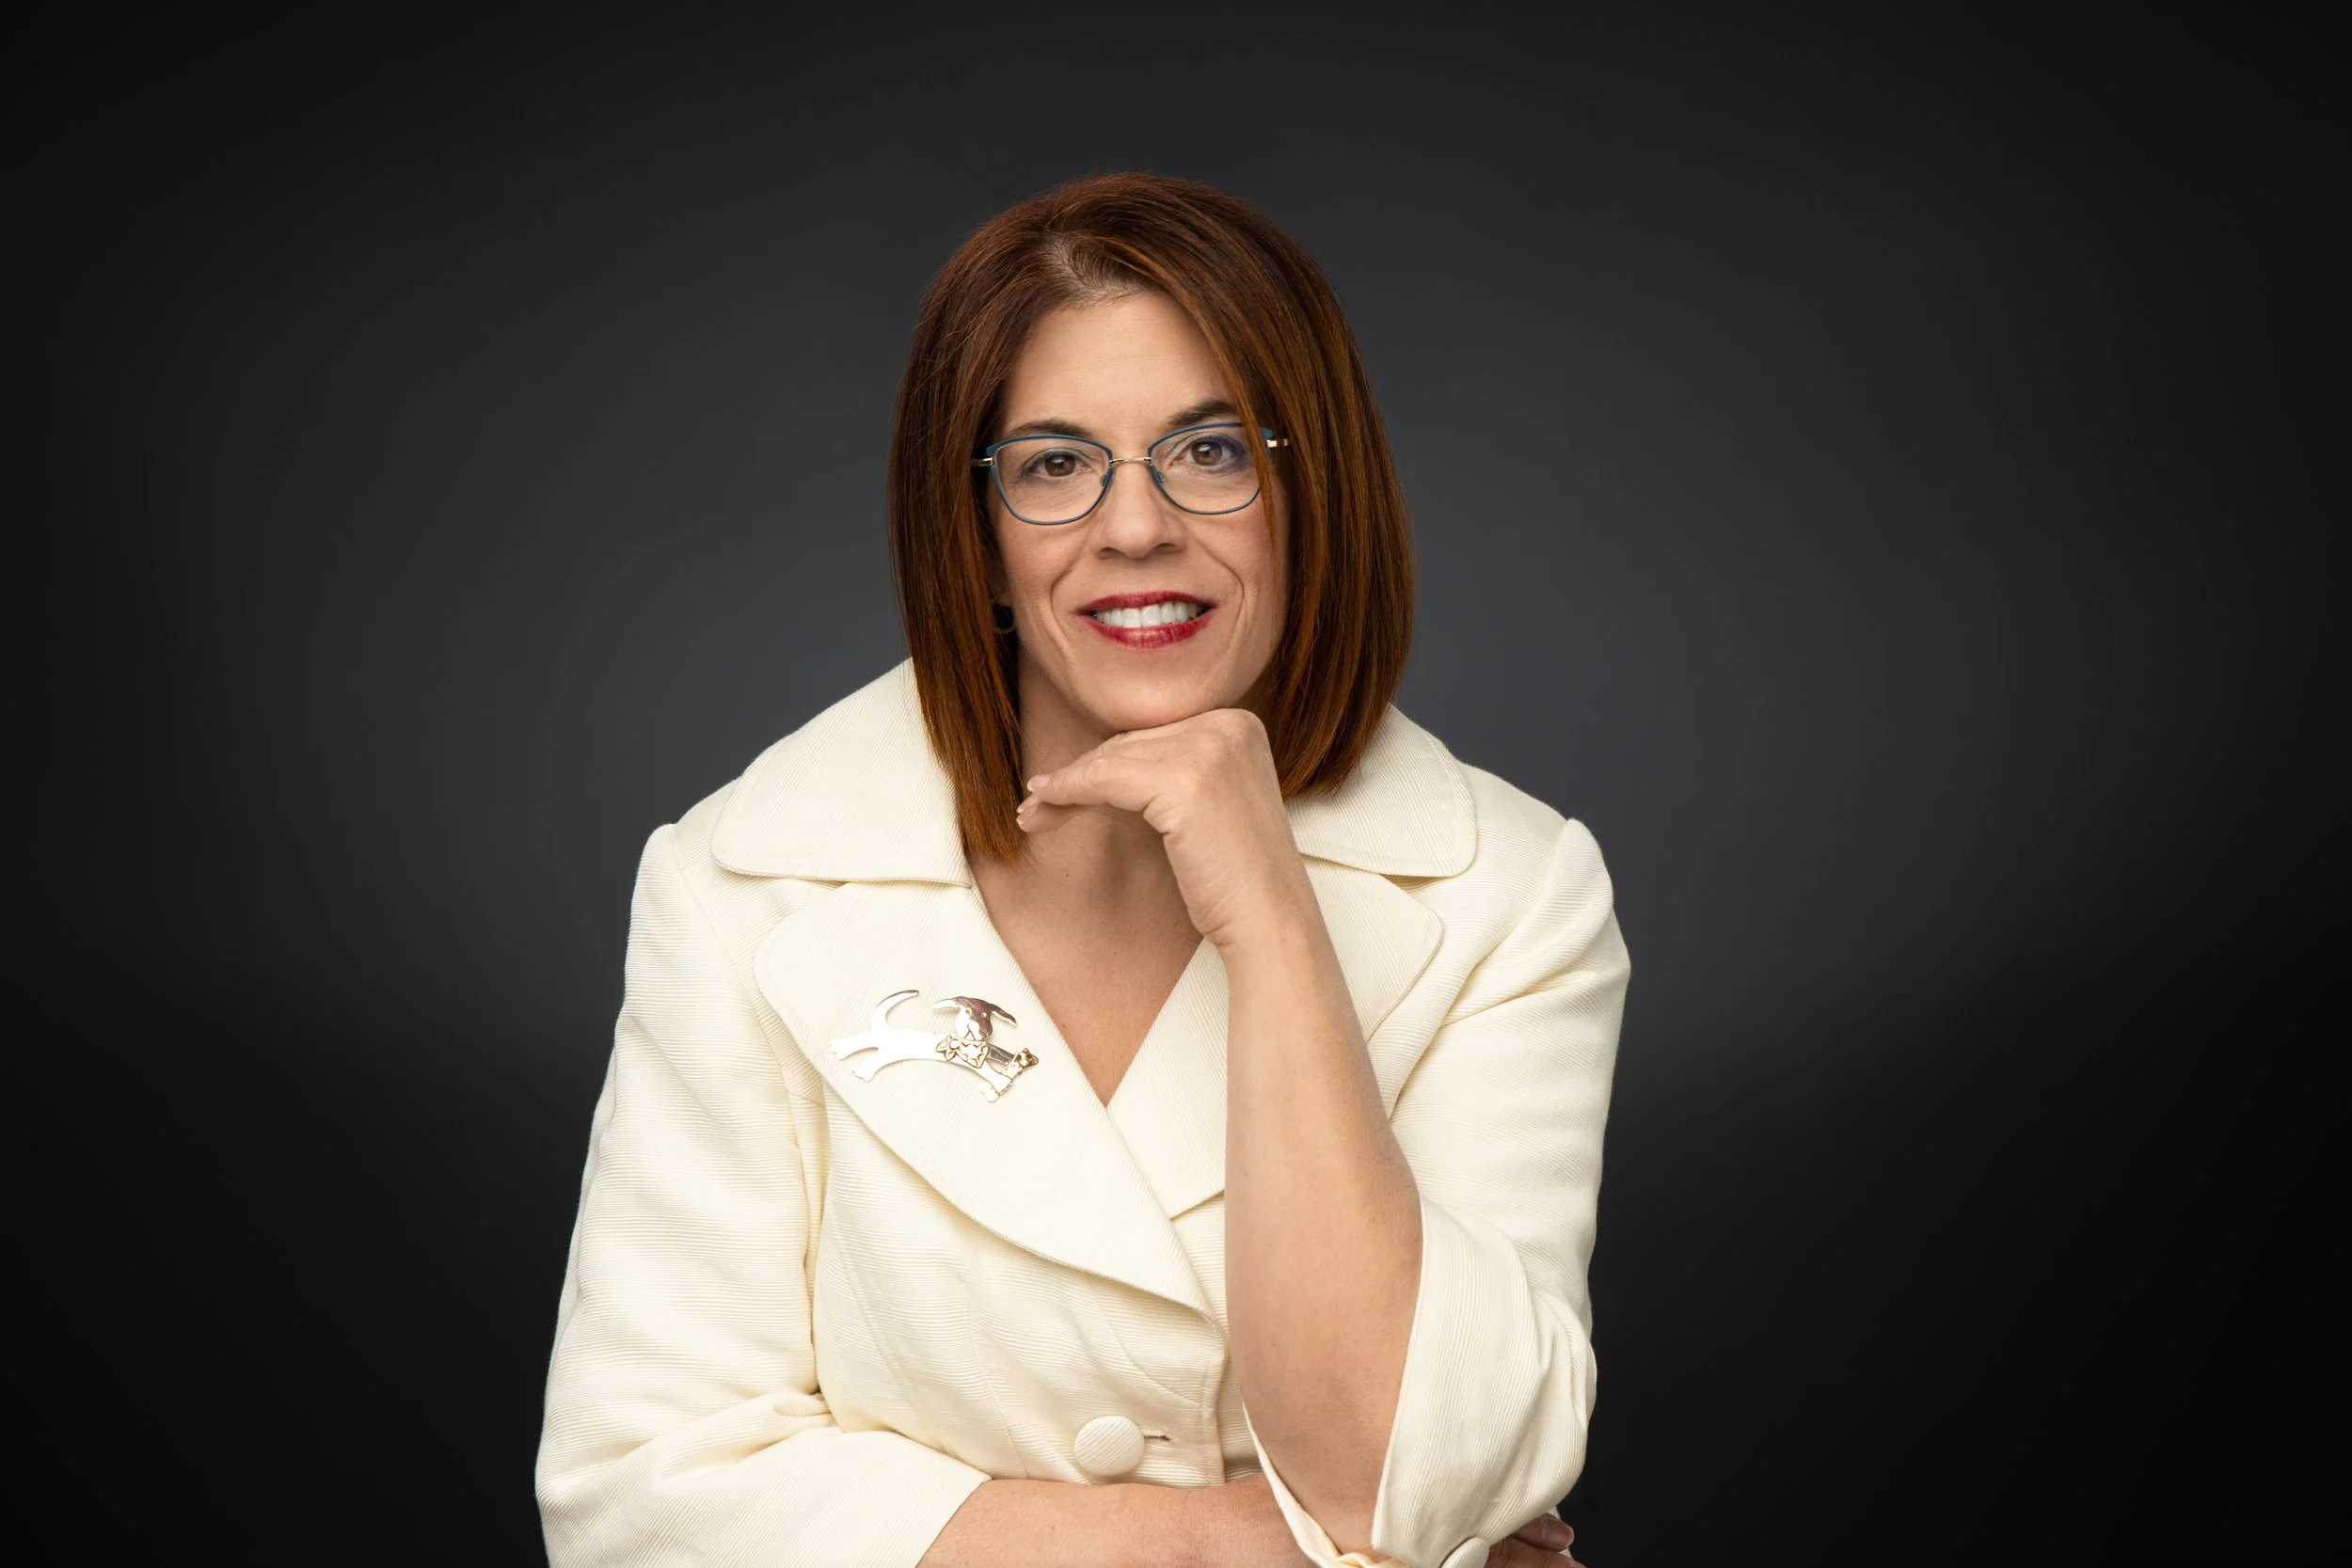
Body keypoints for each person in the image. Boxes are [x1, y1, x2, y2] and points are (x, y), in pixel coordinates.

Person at [535, 173, 1629, 1568]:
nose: (1135, 527)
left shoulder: (1514, 896)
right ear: (980, 538)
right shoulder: (740, 885)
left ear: (1312, 492)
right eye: (1055, 464)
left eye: (1212, 451)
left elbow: (1406, 1468)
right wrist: (1228, 1546)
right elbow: (637, 1500)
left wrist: (1275, 919)